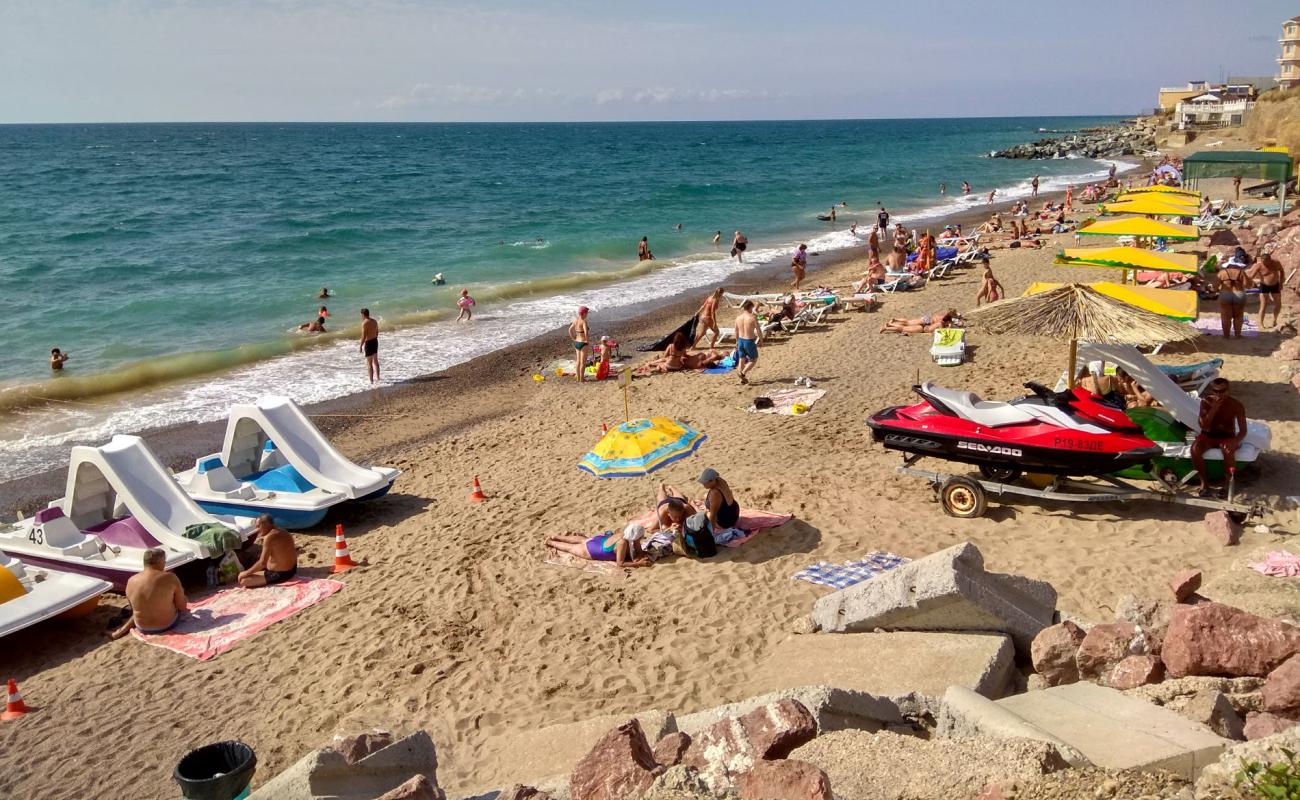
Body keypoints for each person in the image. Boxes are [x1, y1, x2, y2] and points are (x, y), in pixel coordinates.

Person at [110, 548, 188, 639]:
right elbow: (182, 606)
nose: (165, 563)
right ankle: (120, 631)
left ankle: (120, 631)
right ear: (159, 562)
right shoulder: (170, 577)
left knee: (142, 608)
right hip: (167, 625)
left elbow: (133, 609)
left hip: (142, 627)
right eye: (164, 561)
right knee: (182, 599)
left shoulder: (131, 580)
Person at [1190, 378, 1247, 497]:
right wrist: (1213, 409)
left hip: (1227, 436)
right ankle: (1204, 483)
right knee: (1195, 449)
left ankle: (1228, 483)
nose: (1218, 394)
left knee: (1227, 450)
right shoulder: (1206, 402)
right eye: (1215, 391)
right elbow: (1203, 425)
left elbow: (1243, 431)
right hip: (1208, 435)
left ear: (1228, 390)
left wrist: (1234, 441)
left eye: (1222, 391)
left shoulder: (1236, 405)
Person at [545, 524, 650, 569]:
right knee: (570, 548)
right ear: (636, 536)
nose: (641, 538)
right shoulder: (623, 543)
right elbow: (620, 563)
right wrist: (639, 564)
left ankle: (556, 536)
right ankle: (550, 542)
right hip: (593, 550)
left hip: (599, 541)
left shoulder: (625, 534)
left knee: (584, 540)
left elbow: (638, 548)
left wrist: (640, 554)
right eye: (640, 537)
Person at [238, 514, 298, 587]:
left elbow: (262, 563)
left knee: (244, 581)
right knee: (256, 560)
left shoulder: (270, 537)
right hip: (292, 569)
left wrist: (246, 573)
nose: (257, 529)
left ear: (266, 524)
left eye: (258, 526)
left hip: (281, 574)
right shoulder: (282, 531)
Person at [1249, 245, 1284, 328]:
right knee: (1263, 305)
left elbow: (1282, 271)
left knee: (1278, 304)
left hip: (1275, 285)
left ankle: (1274, 320)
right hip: (1264, 286)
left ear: (1270, 259)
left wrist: (1281, 283)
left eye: (1267, 262)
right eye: (1263, 262)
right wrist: (1251, 282)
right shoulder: (1259, 266)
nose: (1265, 264)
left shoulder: (1276, 263)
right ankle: (1261, 323)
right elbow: (1251, 276)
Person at [1216, 253, 1250, 337]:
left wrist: (1218, 290)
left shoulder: (1222, 273)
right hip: (1239, 294)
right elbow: (1247, 285)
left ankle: (1226, 335)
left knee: (1225, 316)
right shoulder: (1241, 272)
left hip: (1225, 294)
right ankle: (1238, 335)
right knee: (1238, 315)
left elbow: (1215, 286)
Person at [735, 300, 759, 385]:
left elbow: (736, 331)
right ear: (750, 307)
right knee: (753, 359)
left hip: (740, 340)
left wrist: (736, 342)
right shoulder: (753, 317)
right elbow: (758, 330)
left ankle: (742, 380)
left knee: (742, 359)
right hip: (749, 340)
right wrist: (761, 339)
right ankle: (743, 373)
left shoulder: (738, 318)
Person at [880, 309, 957, 334]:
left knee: (906, 324)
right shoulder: (941, 324)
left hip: (926, 322)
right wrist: (949, 327)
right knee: (903, 328)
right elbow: (941, 333)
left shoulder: (942, 317)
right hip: (923, 328)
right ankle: (887, 327)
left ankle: (890, 324)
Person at [568, 306, 590, 381]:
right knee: (583, 362)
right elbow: (586, 332)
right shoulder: (584, 321)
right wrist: (587, 340)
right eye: (586, 313)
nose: (587, 314)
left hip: (577, 342)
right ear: (583, 313)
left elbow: (570, 330)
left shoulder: (575, 321)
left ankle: (578, 378)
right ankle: (582, 378)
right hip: (583, 343)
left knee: (578, 361)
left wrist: (573, 338)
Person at [359, 308, 380, 384]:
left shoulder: (365, 323)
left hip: (368, 343)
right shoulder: (374, 321)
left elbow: (364, 336)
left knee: (369, 363)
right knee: (376, 362)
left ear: (363, 314)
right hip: (375, 341)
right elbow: (377, 332)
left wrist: (361, 345)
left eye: (361, 315)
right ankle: (378, 378)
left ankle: (371, 382)